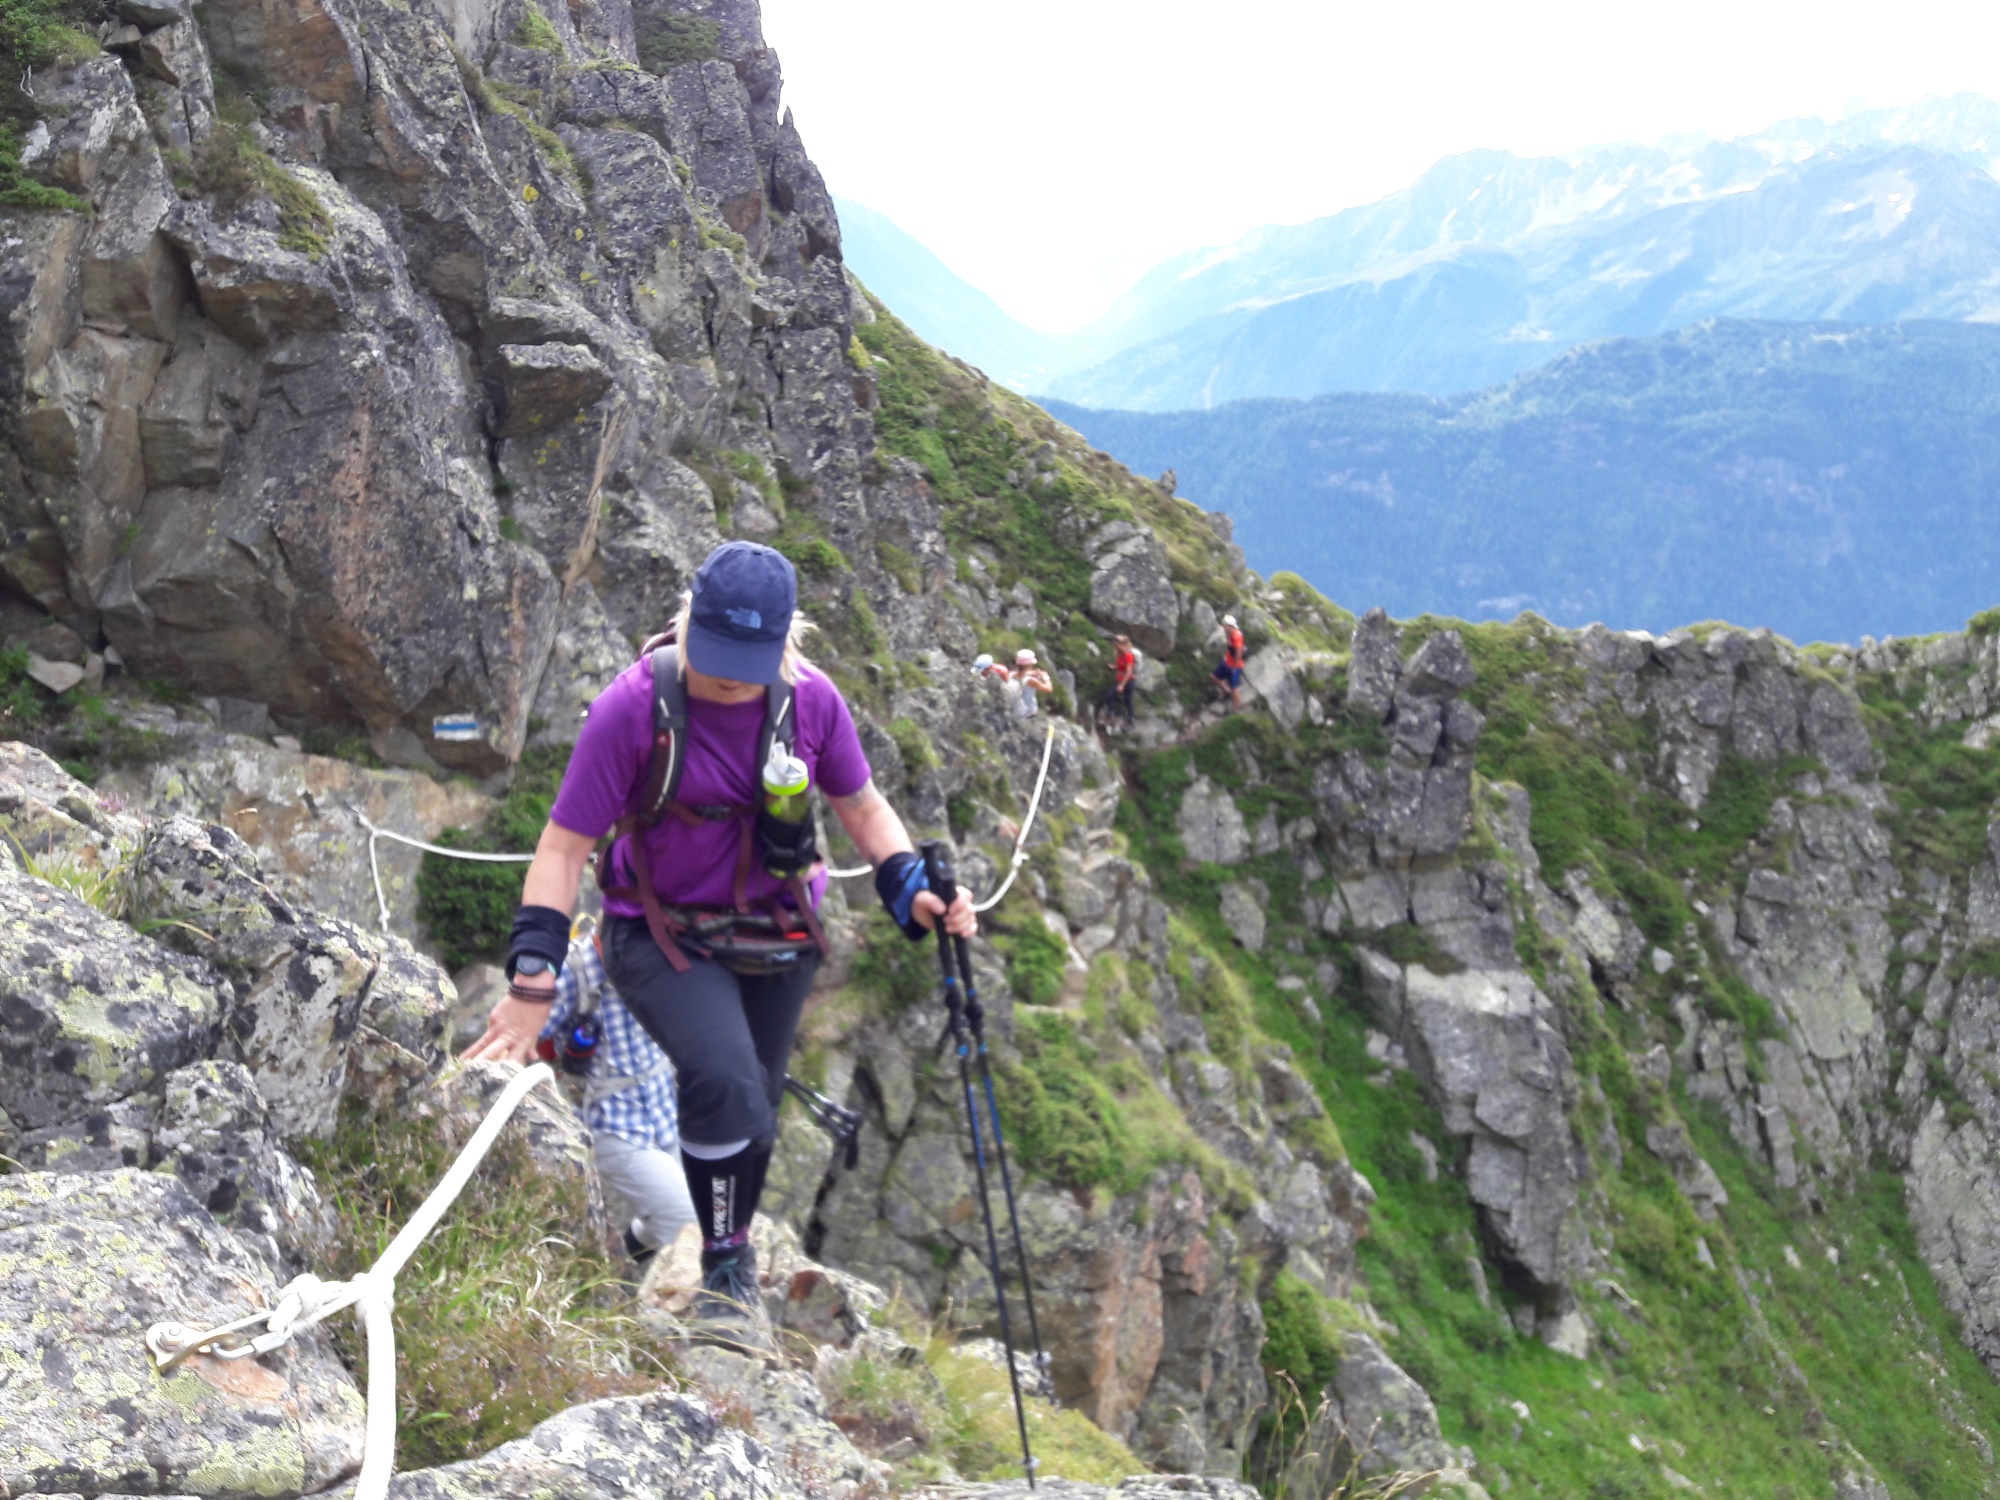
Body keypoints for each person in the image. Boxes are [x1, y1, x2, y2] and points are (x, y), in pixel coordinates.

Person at [465, 540, 976, 1349]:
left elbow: (865, 809)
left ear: (786, 642)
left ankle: (688, 1249)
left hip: (779, 934)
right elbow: (561, 852)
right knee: (728, 1084)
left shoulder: (812, 704)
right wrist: (532, 992)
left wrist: (911, 886)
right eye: (716, 652)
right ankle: (727, 1273)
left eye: (751, 658)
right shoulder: (632, 708)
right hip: (659, 933)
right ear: (686, 621)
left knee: (756, 1122)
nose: (730, 674)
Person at [541, 919, 694, 1267]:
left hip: (666, 1112)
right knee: (690, 1223)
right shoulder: (574, 975)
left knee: (694, 1208)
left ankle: (623, 1262)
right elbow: (528, 1033)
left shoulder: (666, 956)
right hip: (613, 1126)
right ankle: (662, 1314)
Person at [1099, 633, 1138, 728]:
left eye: (1117, 643)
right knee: (1110, 696)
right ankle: (1110, 714)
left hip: (1128, 681)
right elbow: (1122, 666)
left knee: (1127, 700)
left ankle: (1130, 720)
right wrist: (1114, 667)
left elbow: (1129, 672)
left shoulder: (1128, 655)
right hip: (1120, 680)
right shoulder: (1120, 654)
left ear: (1122, 644)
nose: (1115, 645)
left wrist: (1122, 685)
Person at [1007, 648, 1055, 719]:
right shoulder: (1031, 681)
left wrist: (1032, 673)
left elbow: (1021, 674)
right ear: (1029, 665)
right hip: (1028, 714)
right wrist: (1046, 677)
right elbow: (1049, 689)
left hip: (1014, 711)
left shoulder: (1010, 674)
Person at [1211, 613, 1246, 711]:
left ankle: (1236, 709)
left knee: (1234, 688)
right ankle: (1226, 691)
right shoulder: (1230, 634)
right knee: (1213, 677)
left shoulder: (1236, 636)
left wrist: (1234, 668)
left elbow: (1238, 653)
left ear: (1230, 626)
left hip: (1234, 666)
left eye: (1225, 625)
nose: (1223, 627)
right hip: (1227, 662)